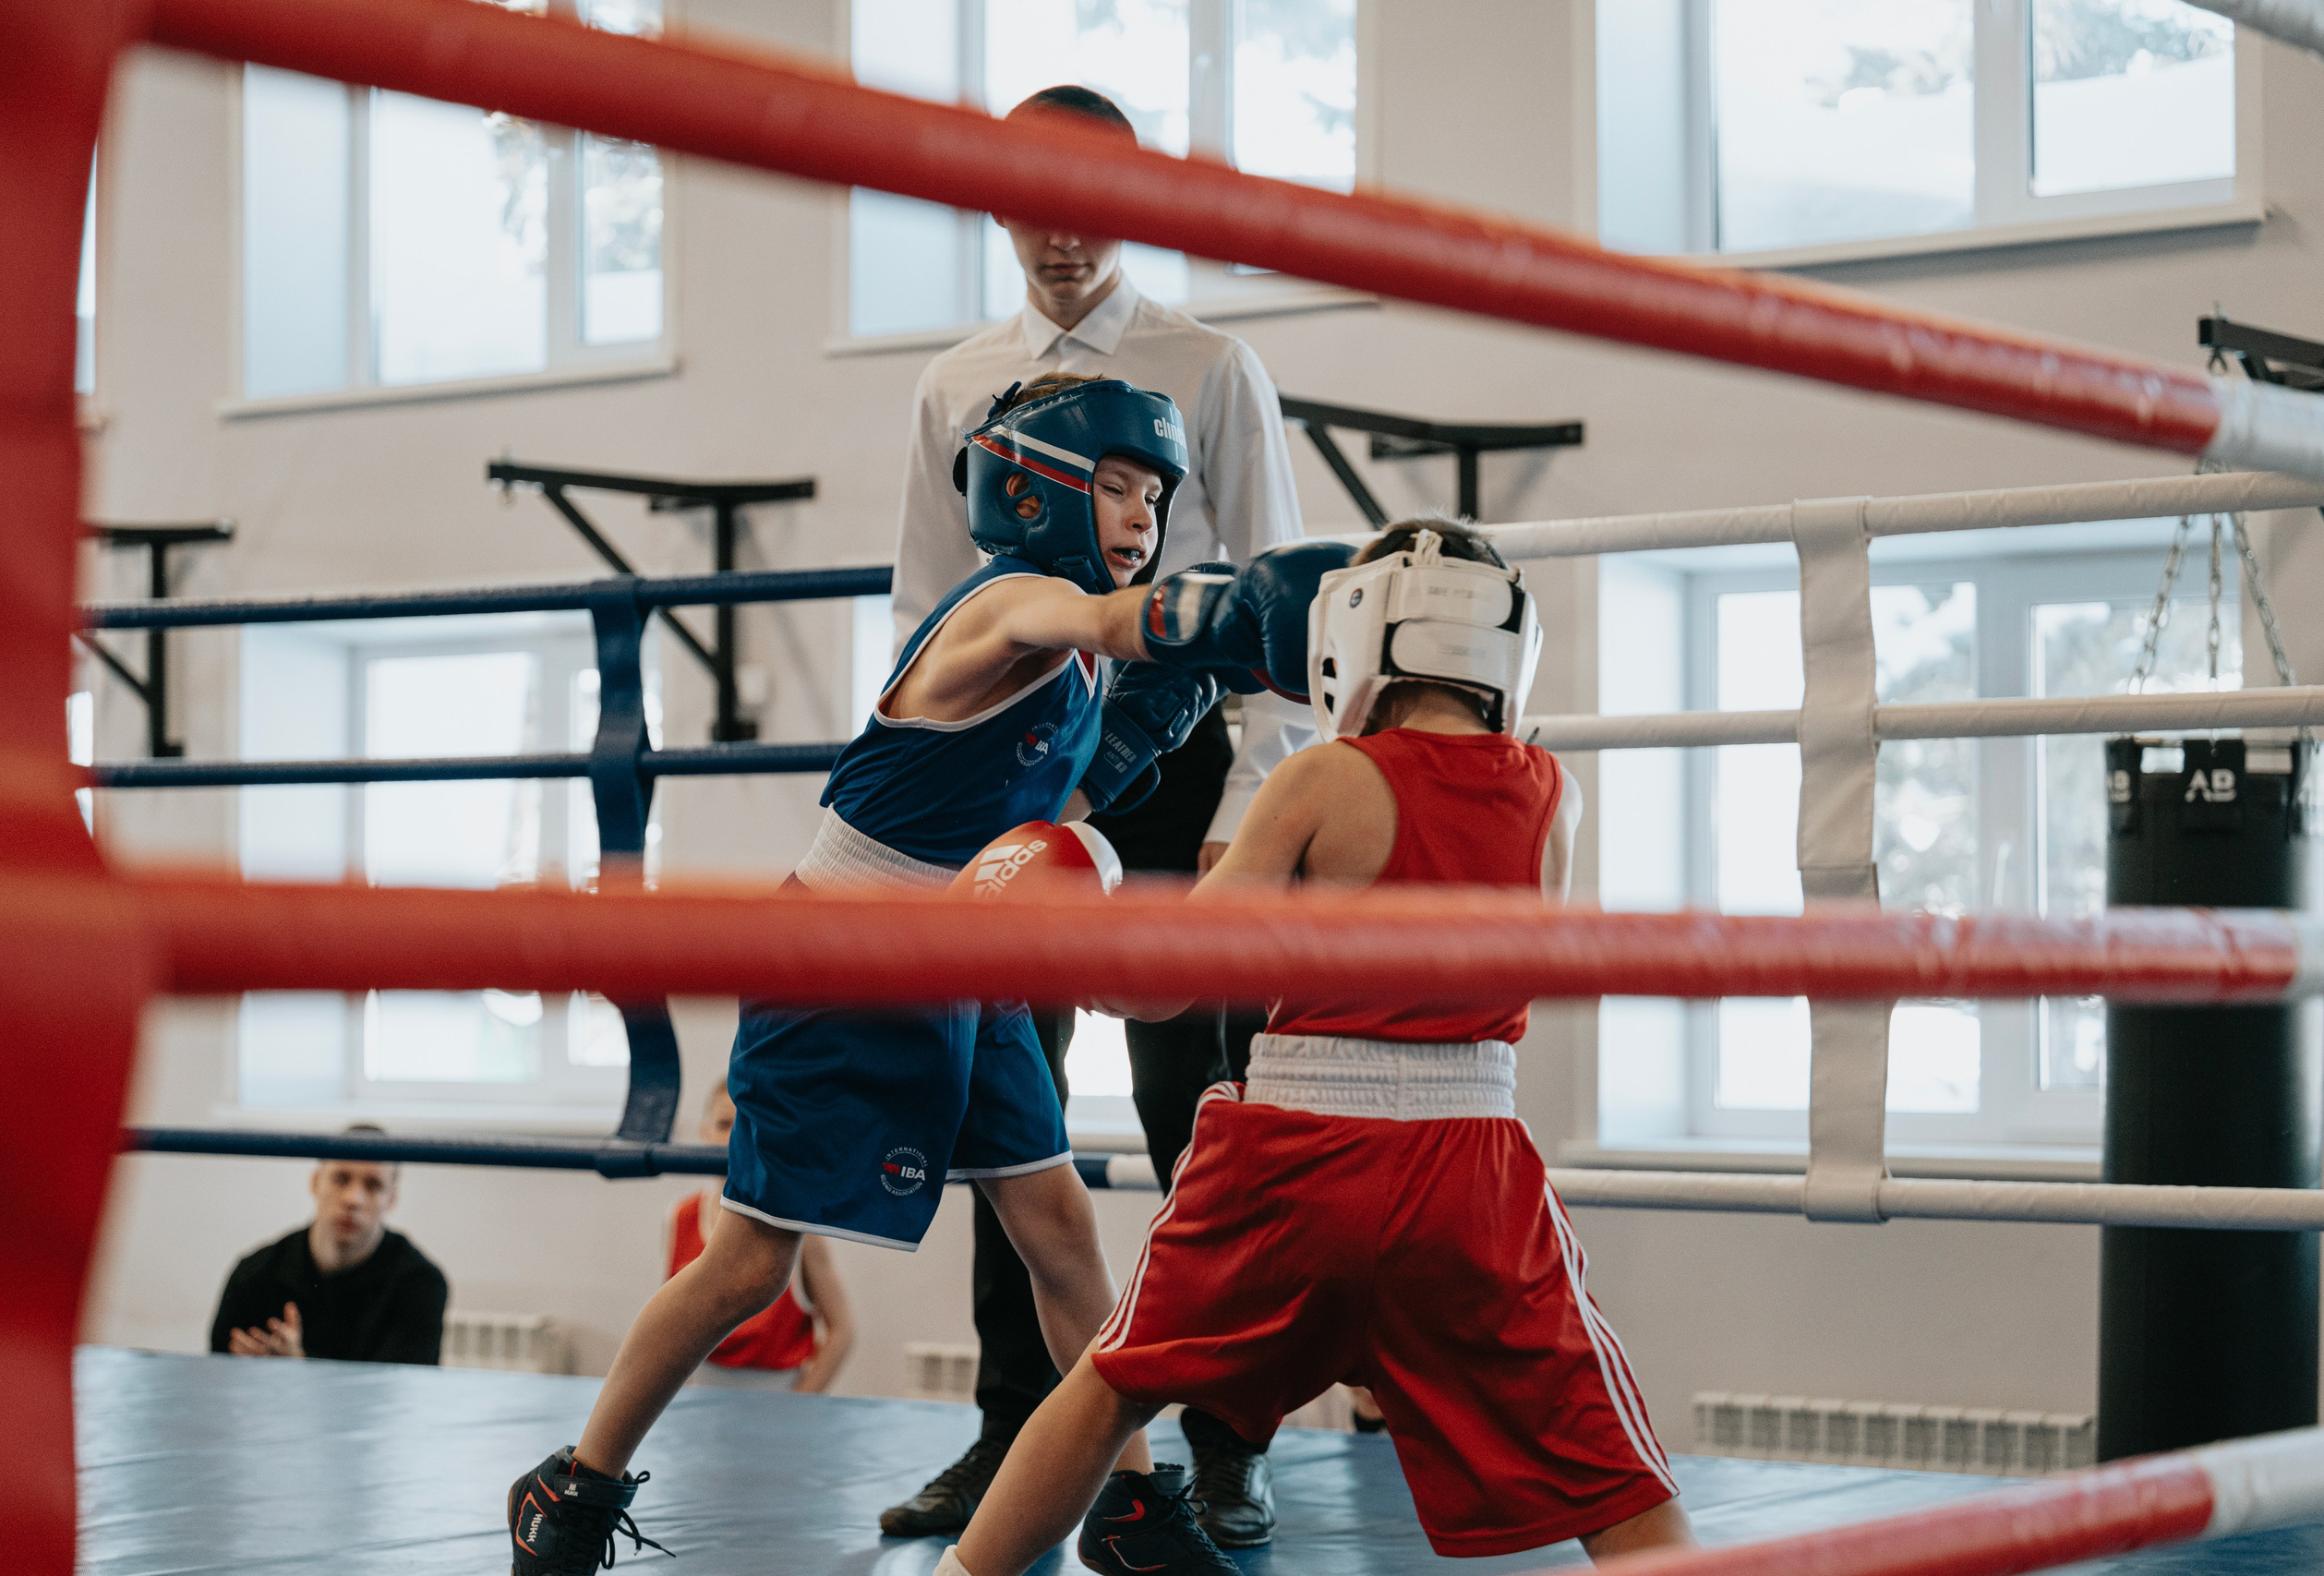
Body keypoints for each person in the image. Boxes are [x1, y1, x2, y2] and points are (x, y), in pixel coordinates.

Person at [503, 373, 1331, 1576]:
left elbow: (1052, 805)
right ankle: (575, 1480)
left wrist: (1162, 716)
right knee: (750, 1260)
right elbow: (1116, 620)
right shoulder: (1004, 606)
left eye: (1154, 490)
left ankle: (1132, 1504)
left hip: (971, 949)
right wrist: (1232, 616)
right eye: (1112, 482)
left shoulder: (1083, 656)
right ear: (1034, 482)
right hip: (843, 955)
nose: (1141, 511)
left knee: (1057, 1229)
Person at [940, 520, 1697, 1576]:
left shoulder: (1318, 781)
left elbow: (1167, 987)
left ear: (1355, 629)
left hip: (1291, 1158)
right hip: (1466, 1168)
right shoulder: (1548, 791)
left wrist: (1059, 941)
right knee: (1615, 1476)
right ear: (1509, 640)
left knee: (1114, 1382)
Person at [884, 81, 1311, 1551]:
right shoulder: (956, 379)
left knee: (1198, 1108)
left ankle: (1226, 1431)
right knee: (1003, 1098)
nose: (1061, 233)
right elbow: (927, 604)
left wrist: (1253, 814)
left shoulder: (1209, 363)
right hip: (1014, 765)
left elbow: (1277, 594)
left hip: (1181, 769)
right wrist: (932, 809)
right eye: (1032, 198)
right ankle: (1018, 1436)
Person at [668, 1081, 854, 1392]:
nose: (734, 1138)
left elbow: (843, 1330)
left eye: (747, 1125)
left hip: (779, 1396)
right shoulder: (680, 1217)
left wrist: (797, 1405)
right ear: (703, 1131)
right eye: (724, 1124)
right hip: (699, 1396)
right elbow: (672, 1326)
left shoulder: (797, 1225)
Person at [210, 1126, 448, 1366]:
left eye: (373, 1185)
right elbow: (218, 1376)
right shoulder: (254, 1275)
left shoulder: (420, 1284)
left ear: (392, 1198)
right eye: (341, 1179)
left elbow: (400, 1394)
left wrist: (299, 1368)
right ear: (315, 1183)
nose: (353, 1200)